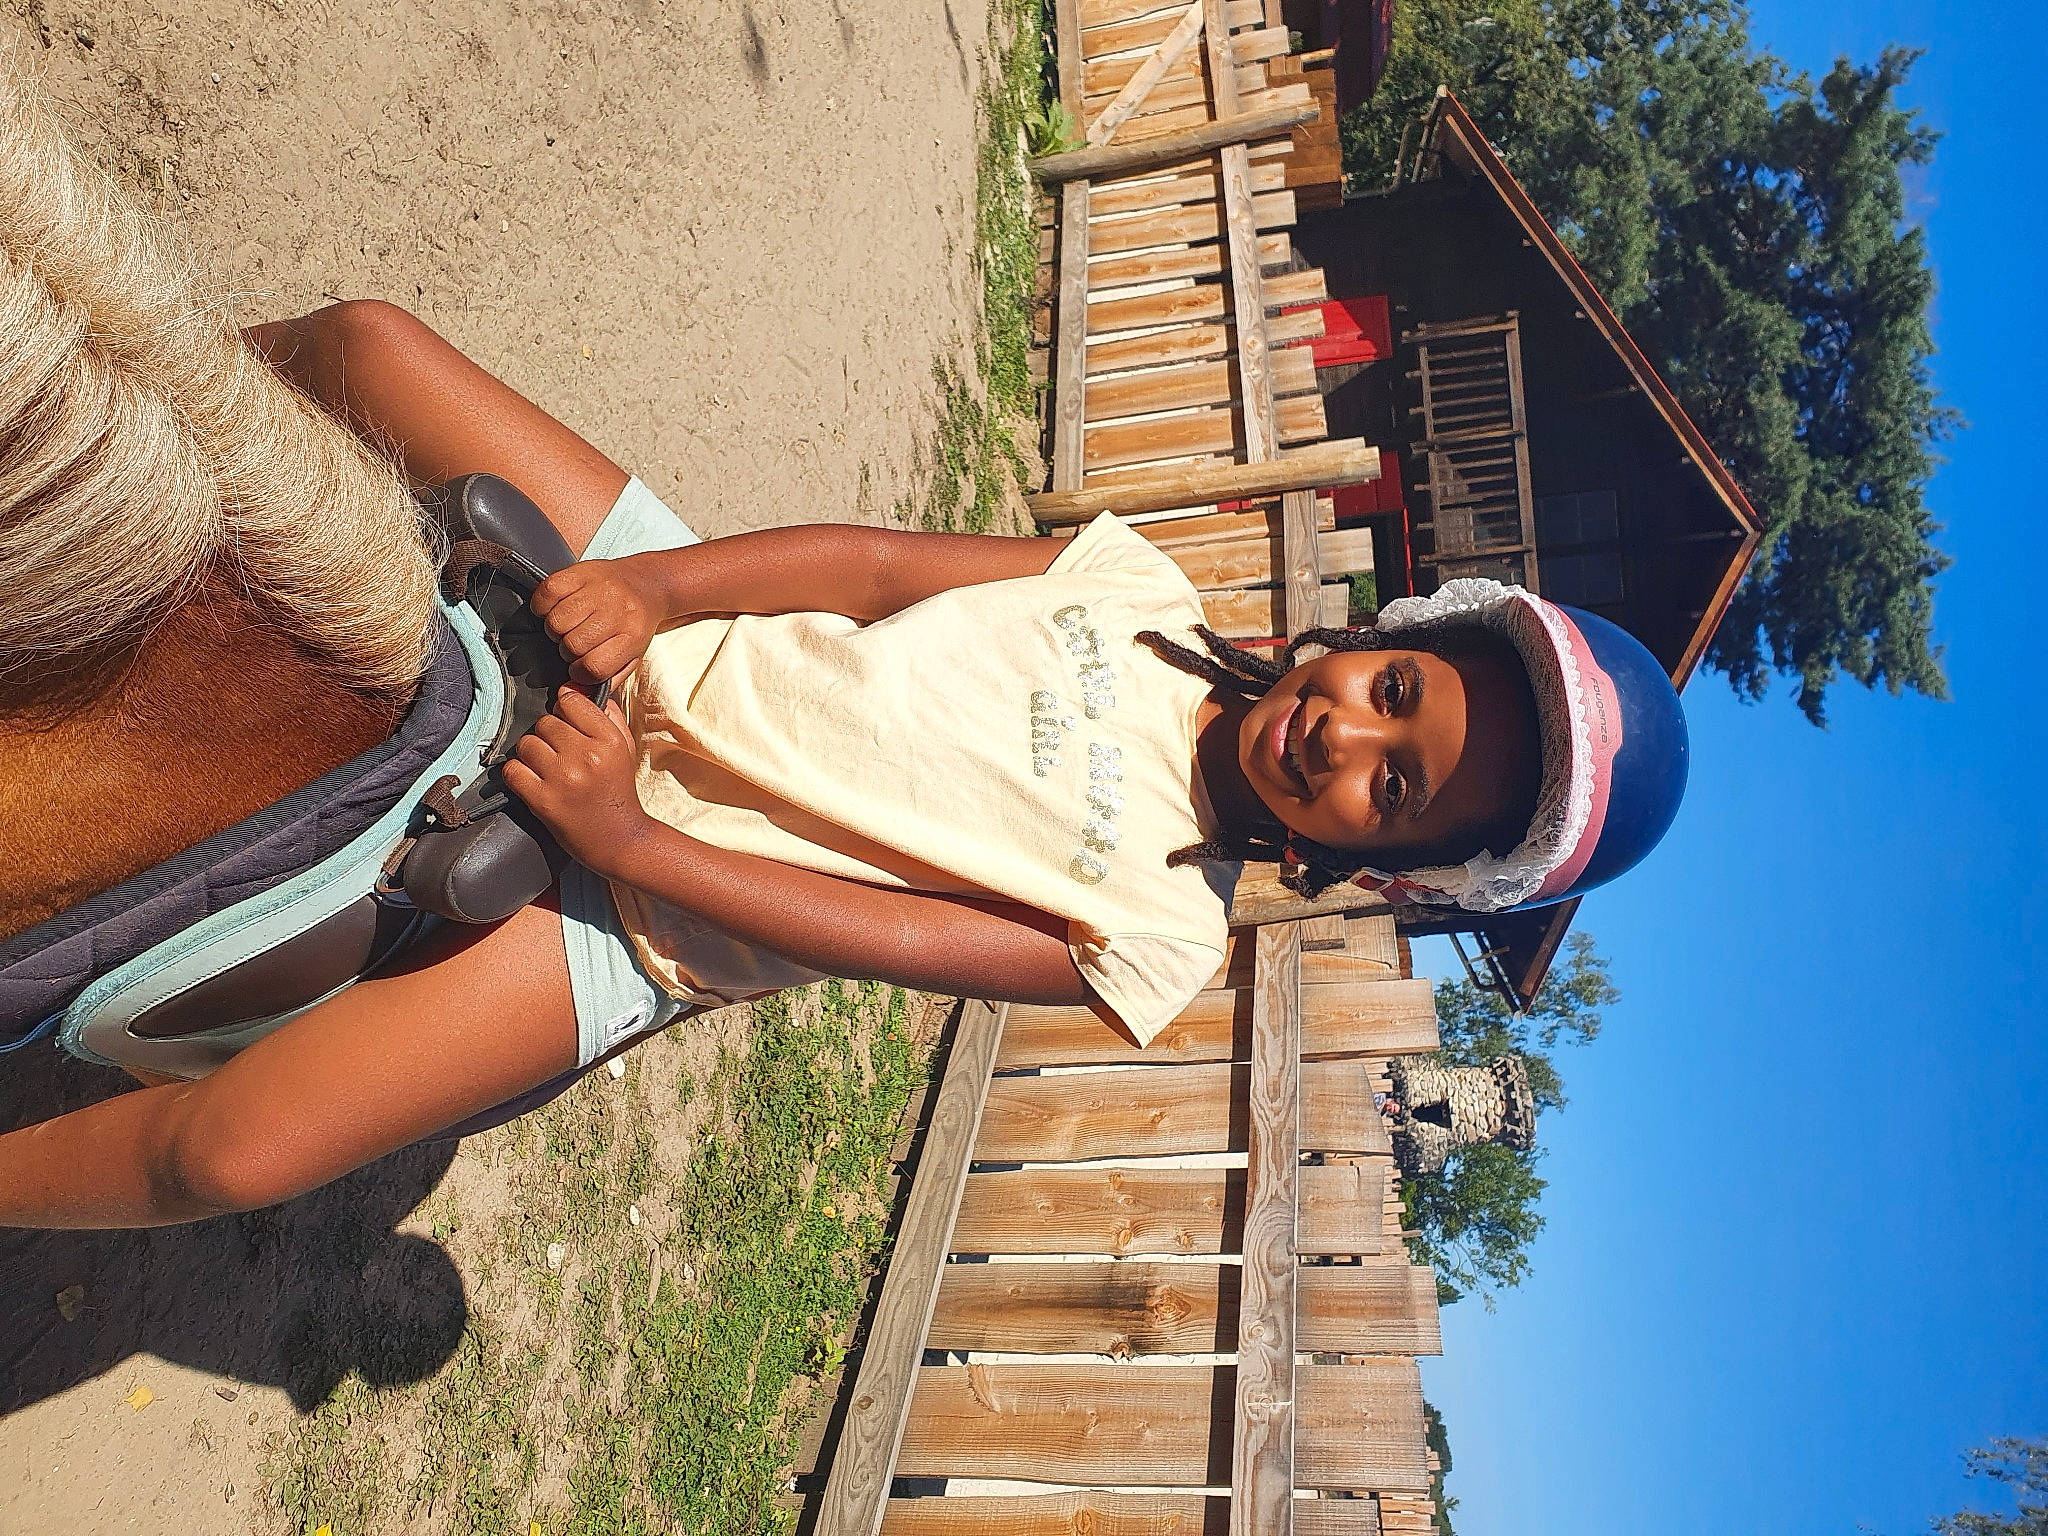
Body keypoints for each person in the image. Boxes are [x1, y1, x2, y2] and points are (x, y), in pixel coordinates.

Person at [0, 284, 1685, 1229]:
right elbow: (878, 570)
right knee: (368, 346)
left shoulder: (1166, 938)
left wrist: (634, 844)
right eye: (1400, 690)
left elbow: (874, 940)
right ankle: (117, 443)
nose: (1348, 734)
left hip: (635, 901)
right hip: (696, 629)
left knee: (225, 1152)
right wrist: (654, 582)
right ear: (1390, 635)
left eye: (1396, 786)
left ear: (1384, 860)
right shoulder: (1143, 588)